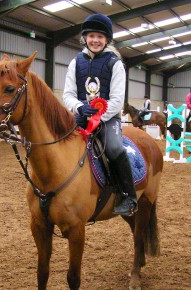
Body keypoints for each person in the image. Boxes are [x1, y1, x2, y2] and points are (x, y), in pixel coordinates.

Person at [63, 13, 137, 216]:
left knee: (114, 148)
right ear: (85, 37)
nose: (95, 40)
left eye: (100, 37)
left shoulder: (116, 64)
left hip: (107, 119)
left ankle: (129, 196)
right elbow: (67, 95)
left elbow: (117, 101)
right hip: (80, 117)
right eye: (92, 36)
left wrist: (97, 116)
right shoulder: (75, 63)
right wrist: (79, 108)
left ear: (106, 40)